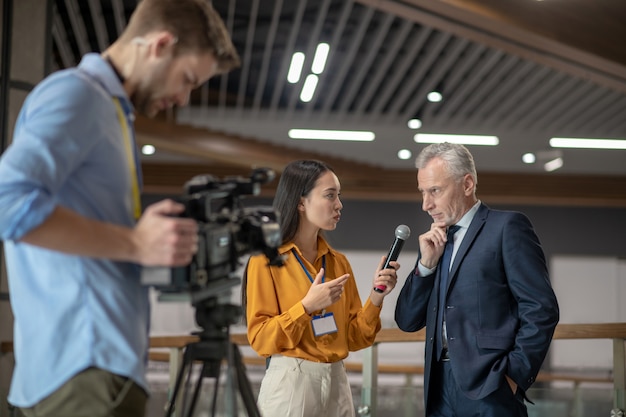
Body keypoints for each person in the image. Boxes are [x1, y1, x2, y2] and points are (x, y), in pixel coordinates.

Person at [0, 1, 240, 416]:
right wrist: (133, 242)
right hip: (85, 369)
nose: (183, 97)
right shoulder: (79, 95)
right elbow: (8, 202)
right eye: (187, 79)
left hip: (91, 366)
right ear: (160, 45)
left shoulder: (111, 111)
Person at [394, 142, 559, 417]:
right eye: (423, 192)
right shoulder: (437, 242)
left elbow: (541, 308)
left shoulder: (507, 227)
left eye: (435, 191)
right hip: (438, 387)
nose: (426, 204)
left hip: (492, 386)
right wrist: (426, 266)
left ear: (467, 184)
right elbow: (408, 321)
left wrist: (513, 376)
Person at [243, 159, 400, 417]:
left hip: (338, 381)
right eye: (330, 195)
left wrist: (376, 296)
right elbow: (261, 339)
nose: (339, 205)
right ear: (301, 202)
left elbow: (354, 338)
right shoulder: (265, 261)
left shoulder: (338, 262)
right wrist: (306, 308)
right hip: (292, 383)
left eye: (339, 195)